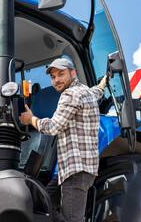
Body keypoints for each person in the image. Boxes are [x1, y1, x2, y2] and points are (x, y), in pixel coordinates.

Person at [20, 58, 107, 222]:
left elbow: (53, 127)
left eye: (61, 74)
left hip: (76, 171)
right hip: (71, 171)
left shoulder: (70, 94)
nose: (57, 80)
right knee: (40, 204)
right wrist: (102, 85)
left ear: (73, 73)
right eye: (53, 77)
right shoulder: (85, 91)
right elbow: (96, 92)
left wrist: (31, 119)